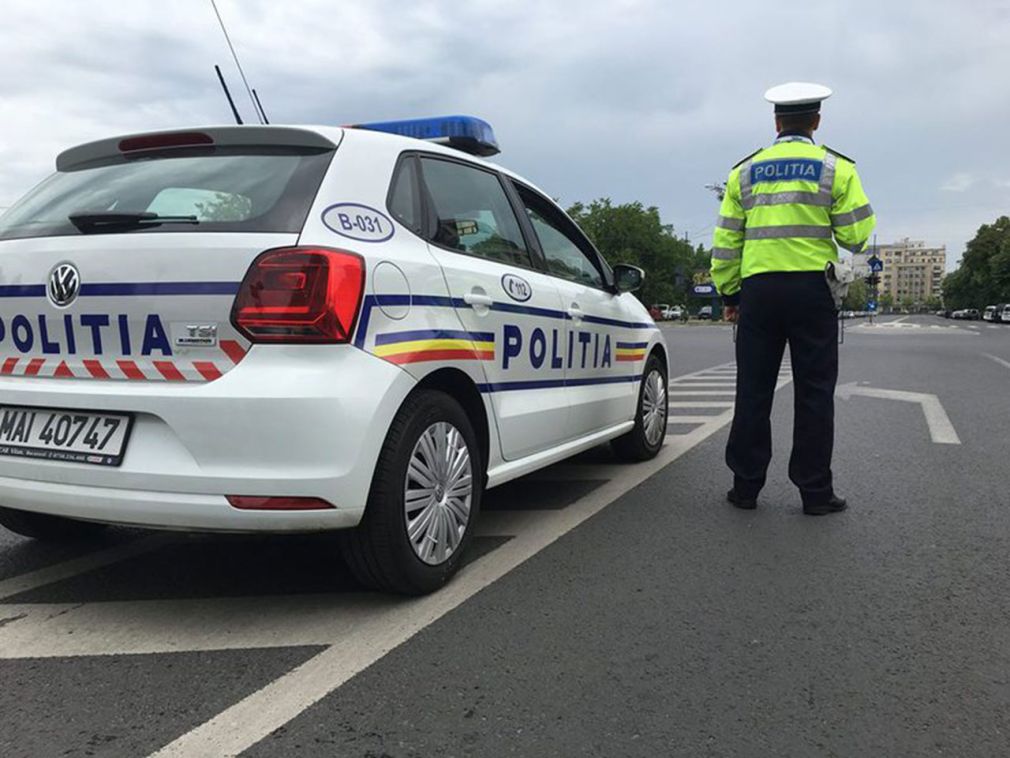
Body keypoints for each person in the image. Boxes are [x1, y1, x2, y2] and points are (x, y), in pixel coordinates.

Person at [709, 82, 875, 515]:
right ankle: (815, 493)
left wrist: (730, 293)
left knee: (752, 391)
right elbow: (856, 236)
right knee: (815, 392)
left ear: (776, 122)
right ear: (816, 122)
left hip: (759, 292)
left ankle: (745, 488)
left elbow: (726, 241)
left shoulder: (744, 171)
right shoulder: (835, 168)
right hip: (811, 292)